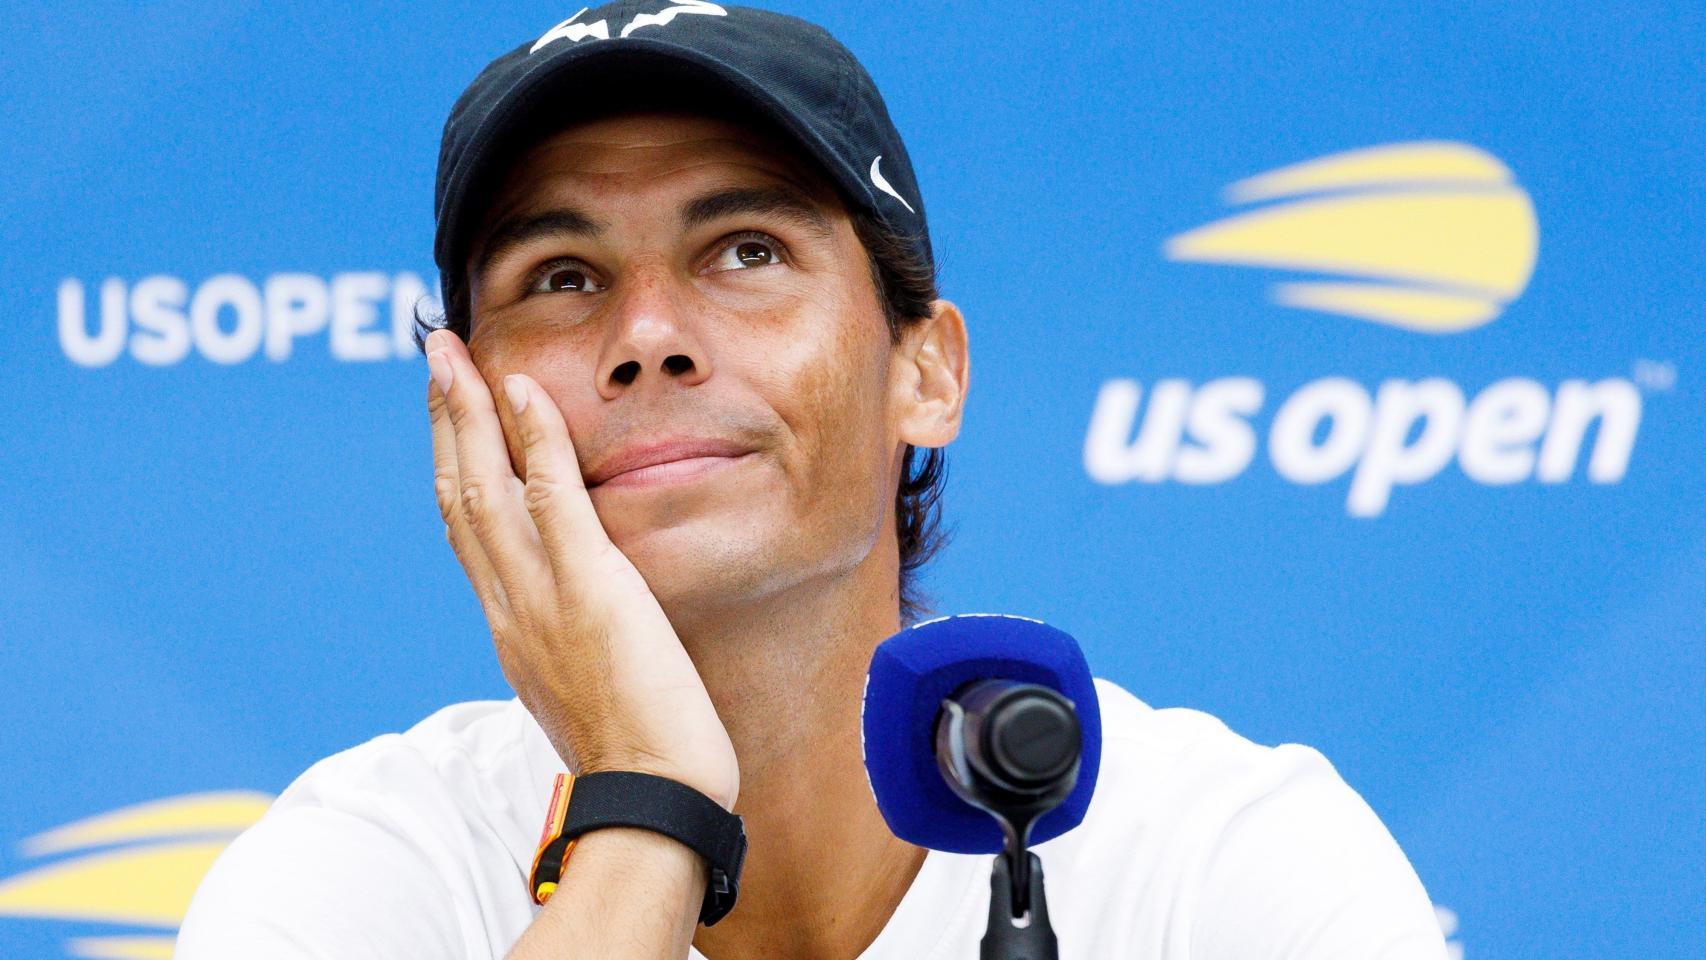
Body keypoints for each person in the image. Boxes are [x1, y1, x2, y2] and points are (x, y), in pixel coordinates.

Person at [177, 4, 1448, 957]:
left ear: (927, 374)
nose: (647, 334)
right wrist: (644, 803)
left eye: (744, 249)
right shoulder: (361, 875)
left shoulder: (1219, 867)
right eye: (561, 276)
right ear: (464, 405)